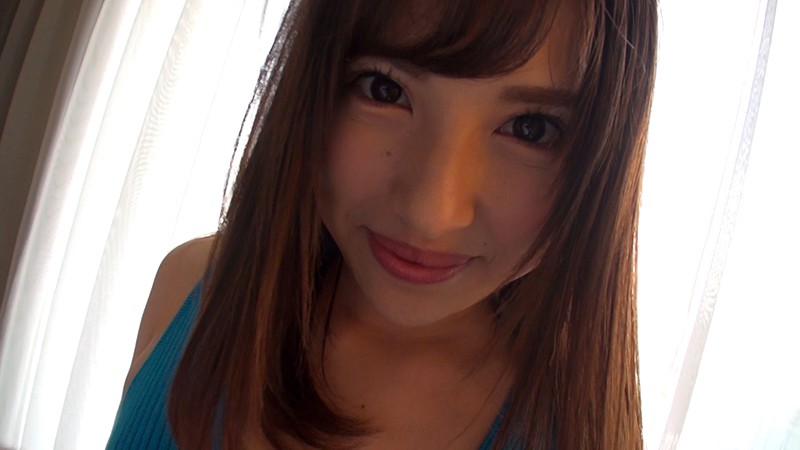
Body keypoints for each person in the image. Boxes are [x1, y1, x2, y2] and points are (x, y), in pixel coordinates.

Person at [107, 0, 657, 448]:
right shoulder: (192, 284)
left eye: (530, 128)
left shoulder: (576, 431)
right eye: (384, 90)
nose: (430, 214)